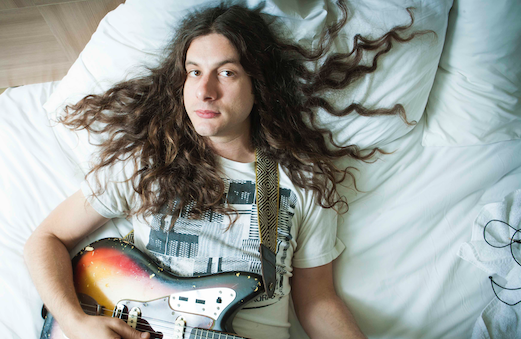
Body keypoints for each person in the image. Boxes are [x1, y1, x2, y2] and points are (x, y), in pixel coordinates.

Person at [24, 2, 426, 338]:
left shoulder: (300, 179)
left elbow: (317, 300)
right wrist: (76, 322)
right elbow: (46, 238)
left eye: (227, 72)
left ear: (259, 83)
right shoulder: (147, 161)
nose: (205, 90)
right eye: (194, 71)